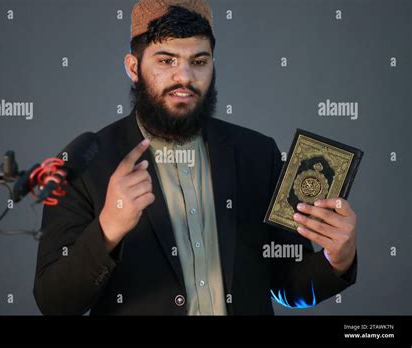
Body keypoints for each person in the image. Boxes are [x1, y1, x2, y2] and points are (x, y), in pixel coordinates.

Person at [33, 0, 358, 315]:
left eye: (199, 61)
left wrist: (337, 257)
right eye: (166, 61)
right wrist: (109, 228)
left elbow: (289, 284)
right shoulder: (82, 164)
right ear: (134, 68)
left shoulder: (258, 154)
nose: (184, 77)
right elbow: (55, 302)